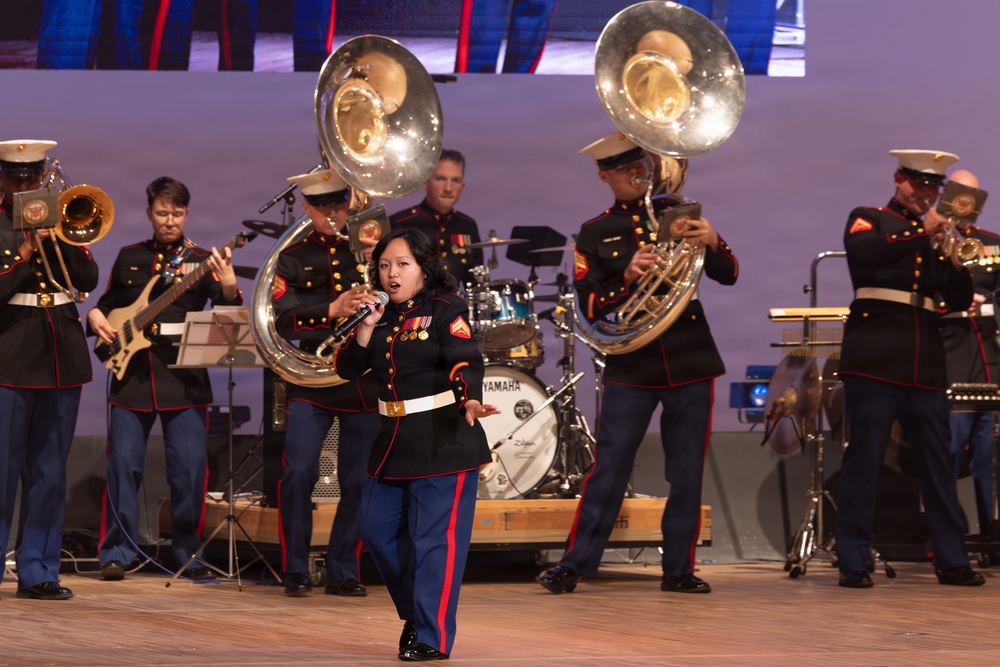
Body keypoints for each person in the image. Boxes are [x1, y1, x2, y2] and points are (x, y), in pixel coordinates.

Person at [536, 132, 737, 595]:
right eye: (624, 168)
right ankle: (575, 564)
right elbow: (588, 305)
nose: (636, 173)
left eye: (640, 164)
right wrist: (626, 275)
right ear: (604, 175)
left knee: (686, 470)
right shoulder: (595, 231)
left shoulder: (680, 213)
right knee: (609, 465)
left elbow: (729, 274)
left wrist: (715, 240)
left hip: (690, 356)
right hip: (632, 361)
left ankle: (679, 570)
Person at [335, 227, 500, 661]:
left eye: (402, 264)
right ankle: (416, 613)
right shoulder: (380, 315)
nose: (392, 273)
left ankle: (432, 636)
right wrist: (366, 327)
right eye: (385, 265)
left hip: (443, 438)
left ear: (425, 269)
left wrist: (471, 399)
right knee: (374, 530)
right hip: (392, 440)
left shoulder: (447, 308)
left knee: (434, 543)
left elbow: (465, 360)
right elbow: (348, 367)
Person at [835, 149, 984, 588]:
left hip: (925, 362)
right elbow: (865, 257)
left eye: (934, 187)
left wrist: (954, 255)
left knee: (939, 464)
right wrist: (923, 230)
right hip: (876, 355)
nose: (926, 193)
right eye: (918, 184)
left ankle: (952, 559)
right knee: (864, 459)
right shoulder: (870, 217)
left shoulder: (937, 237)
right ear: (899, 178)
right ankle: (854, 559)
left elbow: (956, 301)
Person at [87, 176, 241, 581]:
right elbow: (109, 304)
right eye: (161, 212)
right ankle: (116, 553)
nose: (169, 220)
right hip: (131, 376)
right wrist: (95, 315)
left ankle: (187, 552)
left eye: (176, 213)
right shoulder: (129, 255)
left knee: (189, 472)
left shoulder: (205, 259)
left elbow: (229, 316)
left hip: (184, 379)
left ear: (187, 214)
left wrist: (228, 287)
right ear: (149, 213)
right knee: (122, 466)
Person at [271, 168, 381, 597]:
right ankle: (296, 567)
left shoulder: (370, 249)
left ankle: (343, 569)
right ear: (306, 208)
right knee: (298, 471)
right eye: (322, 207)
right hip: (312, 381)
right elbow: (281, 317)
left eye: (338, 204)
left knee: (358, 479)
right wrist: (331, 309)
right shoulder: (293, 256)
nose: (332, 214)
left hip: (360, 380)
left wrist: (377, 263)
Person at [0, 139, 100, 600]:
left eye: (32, 175)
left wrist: (60, 236)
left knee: (49, 473)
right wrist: (24, 251)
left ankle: (38, 571)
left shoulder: (60, 217)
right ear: (2, 177)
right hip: (12, 355)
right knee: (2, 471)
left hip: (60, 353)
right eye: (17, 176)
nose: (26, 184)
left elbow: (87, 279)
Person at [933, 169, 1000, 542]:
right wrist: (954, 302)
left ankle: (991, 534)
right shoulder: (929, 244)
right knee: (949, 450)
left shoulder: (993, 244)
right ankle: (942, 534)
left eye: (972, 194)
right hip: (951, 355)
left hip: (990, 358)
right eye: (958, 192)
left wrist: (989, 306)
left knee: (989, 456)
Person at [389, 149, 484, 288]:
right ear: (425, 182)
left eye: (455, 180)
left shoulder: (467, 225)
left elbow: (476, 286)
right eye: (441, 179)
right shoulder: (400, 223)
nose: (448, 188)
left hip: (453, 307)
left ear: (462, 186)